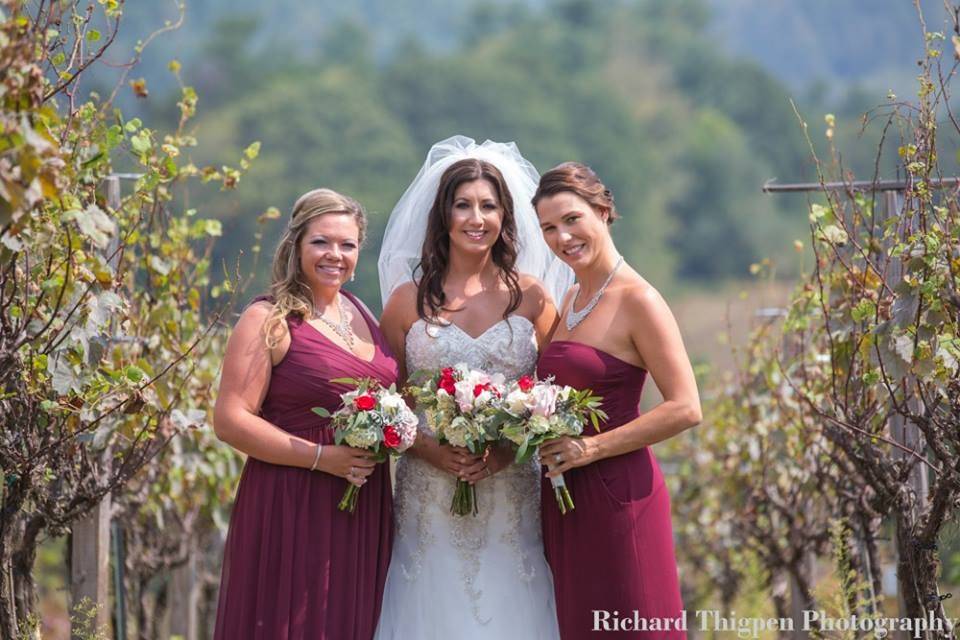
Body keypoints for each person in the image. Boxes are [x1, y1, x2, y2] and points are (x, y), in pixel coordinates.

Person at [374, 136, 571, 639]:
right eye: (463, 205)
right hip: (429, 495)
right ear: (443, 215)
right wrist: (428, 448)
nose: (475, 218)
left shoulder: (532, 297)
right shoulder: (405, 302)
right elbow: (389, 401)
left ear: (506, 216)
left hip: (510, 494)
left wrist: (509, 449)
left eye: (488, 206)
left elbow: (551, 393)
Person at [212, 188, 397, 639]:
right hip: (292, 499)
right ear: (296, 245)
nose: (335, 254)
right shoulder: (268, 319)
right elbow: (230, 419)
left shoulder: (361, 311)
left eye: (347, 245)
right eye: (321, 242)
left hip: (361, 504)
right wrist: (321, 457)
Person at [533, 162, 701, 639]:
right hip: (566, 501)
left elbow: (687, 406)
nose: (562, 237)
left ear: (603, 211)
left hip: (619, 493)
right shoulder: (568, 301)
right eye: (548, 228)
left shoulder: (639, 299)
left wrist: (591, 448)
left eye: (571, 219)